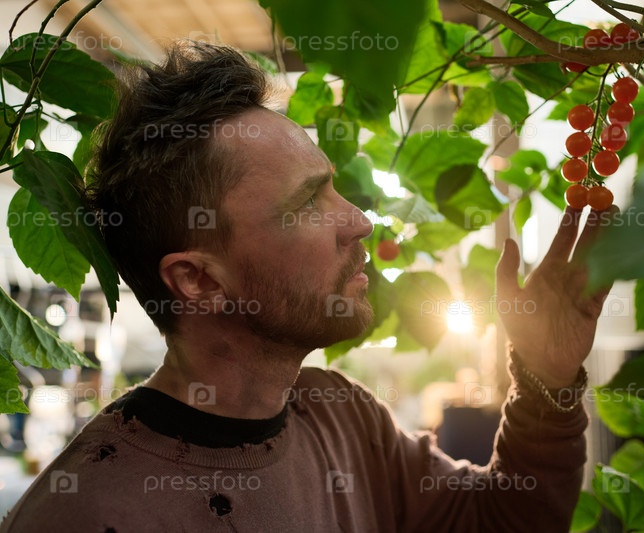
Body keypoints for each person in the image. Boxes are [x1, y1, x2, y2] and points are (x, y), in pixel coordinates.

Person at [0, 41, 610, 532]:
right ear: (199, 280)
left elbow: (505, 520)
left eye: (334, 187)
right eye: (308, 204)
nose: (360, 221)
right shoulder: (87, 514)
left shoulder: (340, 417)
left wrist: (545, 379)